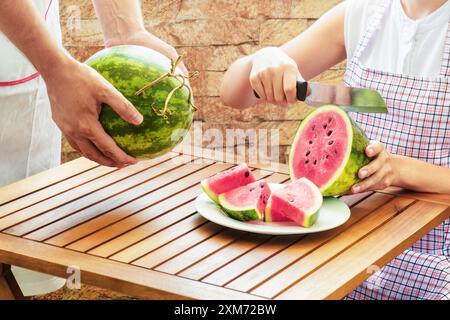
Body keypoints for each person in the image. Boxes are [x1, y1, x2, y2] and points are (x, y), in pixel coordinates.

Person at [221, 0, 450, 299]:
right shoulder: (362, 13)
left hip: (433, 248)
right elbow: (232, 94)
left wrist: (399, 170)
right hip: (344, 234)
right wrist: (265, 58)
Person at [0, 0, 186, 297]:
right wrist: (54, 66)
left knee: (11, 255)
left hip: (27, 61)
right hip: (38, 56)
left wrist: (124, 31)